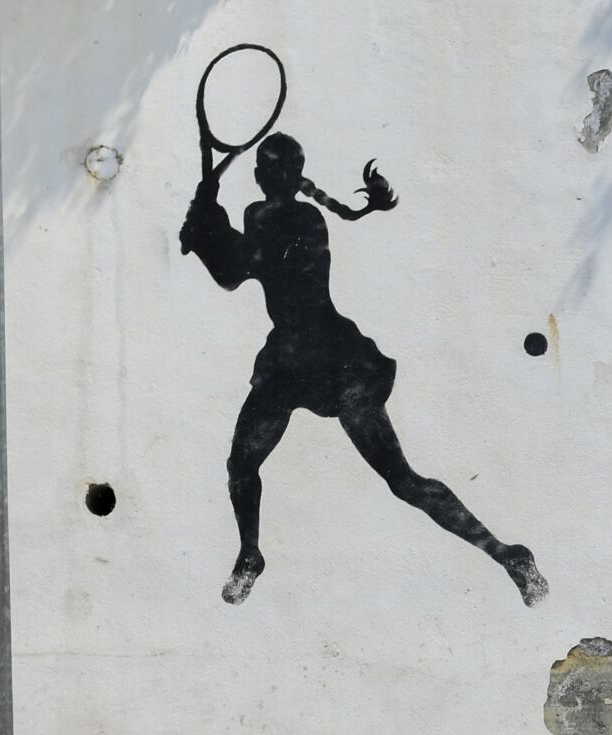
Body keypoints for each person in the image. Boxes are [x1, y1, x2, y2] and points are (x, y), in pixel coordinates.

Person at [180, 132, 548, 608]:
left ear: (277, 177)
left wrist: (206, 224)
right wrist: (208, 226)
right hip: (295, 357)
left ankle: (508, 554)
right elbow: (238, 265)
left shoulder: (288, 217)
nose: (272, 180)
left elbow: (237, 270)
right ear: (277, 176)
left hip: (328, 356)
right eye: (273, 173)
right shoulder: (273, 215)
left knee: (398, 479)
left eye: (276, 172)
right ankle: (250, 555)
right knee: (246, 464)